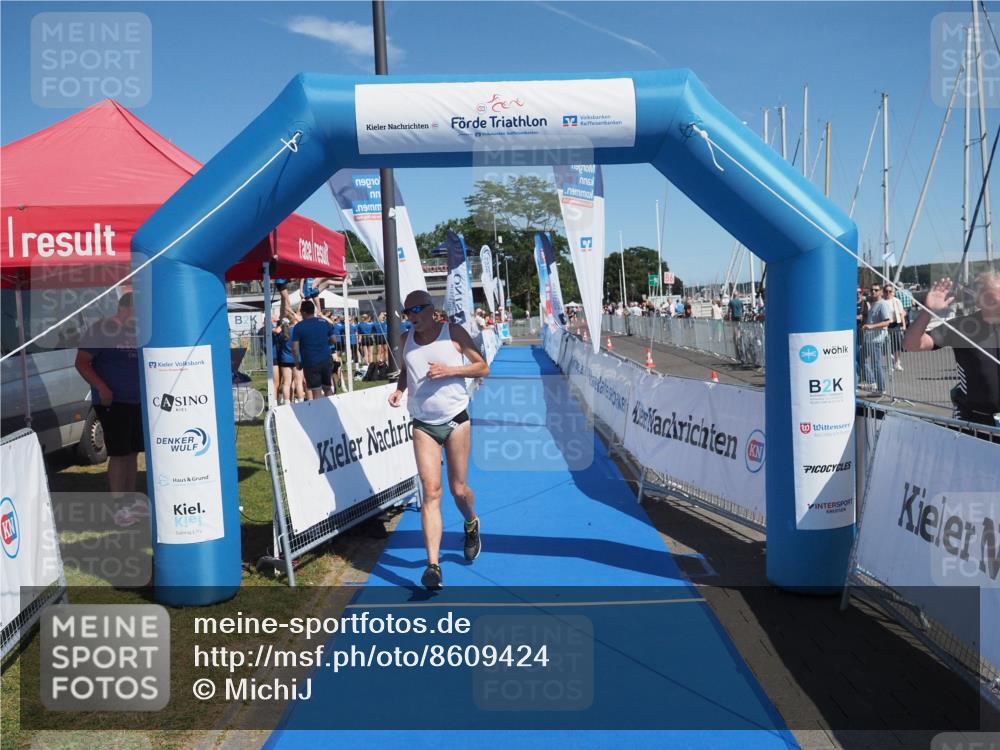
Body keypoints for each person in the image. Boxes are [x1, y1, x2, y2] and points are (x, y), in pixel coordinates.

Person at [388, 291, 490, 590]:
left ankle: (471, 523)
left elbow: (482, 367)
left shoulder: (453, 332)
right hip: (422, 424)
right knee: (430, 493)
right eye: (408, 311)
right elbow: (408, 370)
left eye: (418, 309)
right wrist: (399, 390)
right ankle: (433, 566)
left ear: (432, 310)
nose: (413, 315)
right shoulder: (406, 340)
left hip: (456, 418)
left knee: (458, 490)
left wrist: (450, 370)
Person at [903, 273, 1000, 427]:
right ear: (979, 300)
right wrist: (928, 310)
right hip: (973, 420)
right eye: (993, 299)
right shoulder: (962, 327)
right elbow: (912, 345)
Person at [74, 292, 144, 503]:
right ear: (127, 309)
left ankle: (129, 501)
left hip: (137, 401)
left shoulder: (136, 332)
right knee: (120, 453)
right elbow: (81, 362)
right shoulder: (101, 330)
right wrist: (102, 388)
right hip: (113, 402)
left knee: (133, 454)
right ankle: (118, 504)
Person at [291, 300, 337, 399]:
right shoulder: (324, 322)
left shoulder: (298, 327)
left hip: (311, 362)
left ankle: (320, 414)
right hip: (326, 359)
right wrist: (325, 344)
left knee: (316, 392)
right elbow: (334, 340)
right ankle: (333, 411)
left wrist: (297, 363)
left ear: (303, 312)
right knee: (328, 388)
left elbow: (294, 348)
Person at [861, 283, 892, 394]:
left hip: (876, 339)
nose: (873, 292)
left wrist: (871, 326)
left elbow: (887, 322)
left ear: (880, 292)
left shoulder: (882, 304)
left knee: (876, 364)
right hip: (868, 339)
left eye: (876, 290)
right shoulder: (873, 303)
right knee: (860, 359)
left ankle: (881, 388)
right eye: (872, 290)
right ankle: (872, 381)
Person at [884, 283, 908, 371]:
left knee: (897, 345)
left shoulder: (897, 301)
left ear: (893, 292)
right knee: (887, 346)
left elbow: (901, 313)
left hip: (896, 324)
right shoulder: (883, 302)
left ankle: (897, 363)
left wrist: (904, 325)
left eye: (890, 291)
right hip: (886, 325)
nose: (888, 293)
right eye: (886, 291)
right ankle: (890, 363)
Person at [855, 285, 871, 386]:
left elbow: (869, 317)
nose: (858, 294)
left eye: (860, 292)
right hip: (853, 332)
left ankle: (869, 379)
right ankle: (858, 377)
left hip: (862, 332)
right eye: (856, 293)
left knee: (861, 357)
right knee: (855, 358)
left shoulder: (866, 304)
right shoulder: (849, 303)